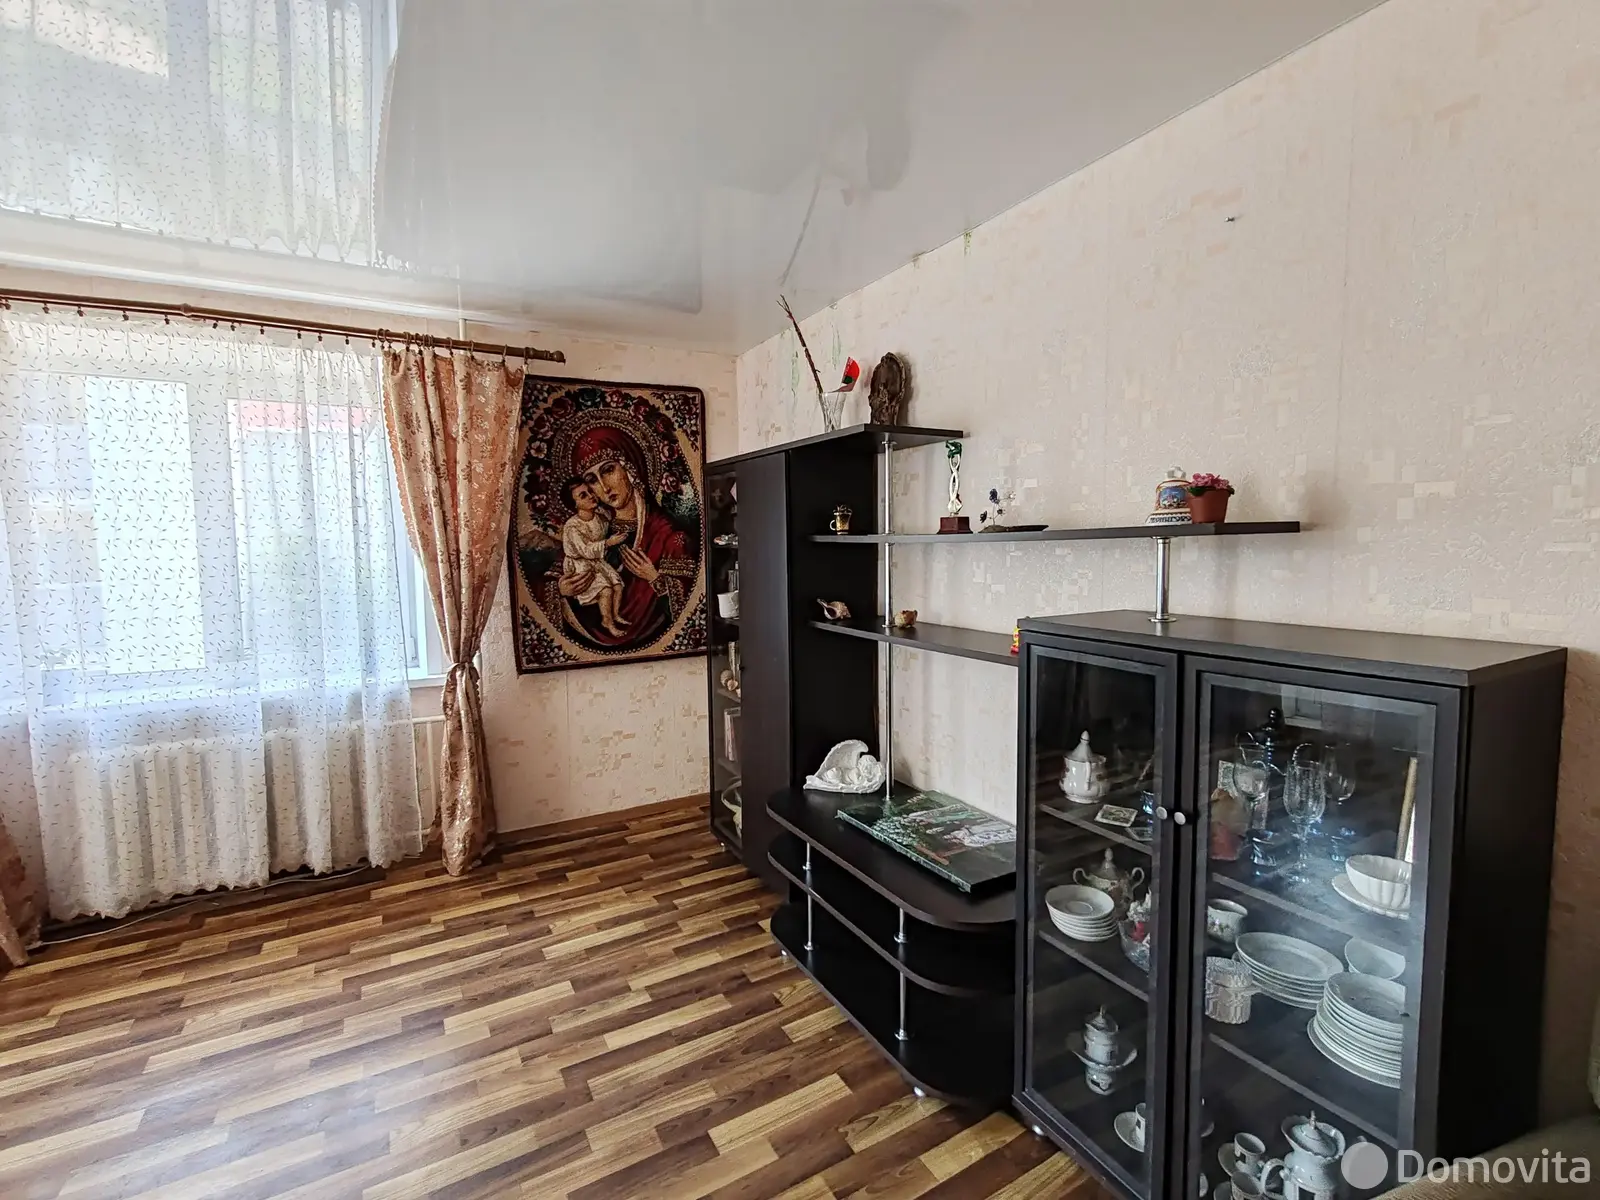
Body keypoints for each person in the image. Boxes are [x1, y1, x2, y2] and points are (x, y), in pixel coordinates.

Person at [556, 422, 695, 647]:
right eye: (592, 480)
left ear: (629, 469)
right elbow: (557, 576)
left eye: (608, 470)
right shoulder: (593, 529)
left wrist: (655, 578)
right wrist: (563, 589)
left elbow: (690, 608)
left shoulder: (668, 535)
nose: (604, 487)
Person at [560, 478, 630, 637]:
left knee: (617, 585)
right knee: (605, 590)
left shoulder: (600, 516)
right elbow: (585, 550)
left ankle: (615, 615)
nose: (591, 496)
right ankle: (607, 622)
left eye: (590, 491)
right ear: (575, 504)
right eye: (583, 495)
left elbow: (607, 527)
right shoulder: (573, 526)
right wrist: (608, 543)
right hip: (581, 565)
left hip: (598, 561)